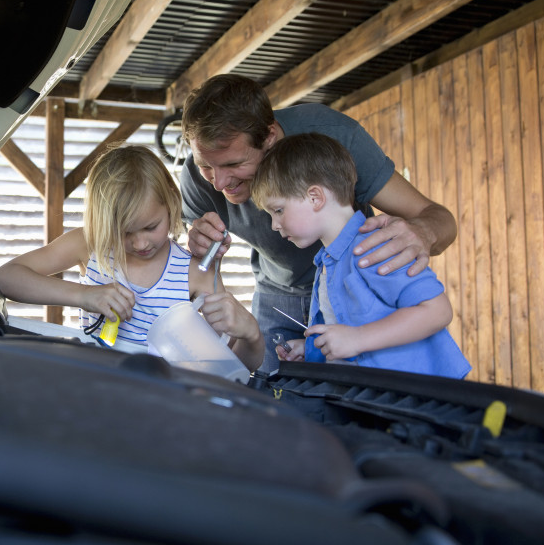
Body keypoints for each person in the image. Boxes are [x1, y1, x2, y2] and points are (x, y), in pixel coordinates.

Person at [179, 73, 457, 375]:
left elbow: (437, 217)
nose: (219, 183)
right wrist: (196, 243)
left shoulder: (334, 136)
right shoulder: (197, 176)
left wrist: (424, 231)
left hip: (357, 281)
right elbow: (195, 269)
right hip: (276, 293)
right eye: (206, 165)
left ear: (269, 137)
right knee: (277, 394)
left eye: (234, 164)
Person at [0, 144, 264, 371]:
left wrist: (252, 337)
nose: (140, 243)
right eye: (123, 233)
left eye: (150, 227)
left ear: (171, 202)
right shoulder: (92, 244)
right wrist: (85, 296)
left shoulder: (194, 271)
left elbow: (232, 367)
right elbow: (5, 279)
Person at [250, 132, 470, 378]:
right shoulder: (327, 261)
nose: (274, 225)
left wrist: (358, 338)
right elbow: (348, 331)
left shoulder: (373, 248)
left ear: (315, 197)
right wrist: (311, 349)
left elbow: (437, 311)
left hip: (417, 399)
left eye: (278, 210)